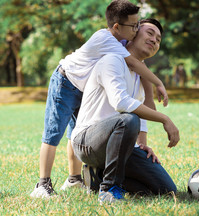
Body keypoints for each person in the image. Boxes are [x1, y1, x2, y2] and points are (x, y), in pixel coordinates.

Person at [30, 0, 169, 198]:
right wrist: (158, 82)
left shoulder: (122, 40)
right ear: (117, 26)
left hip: (83, 87)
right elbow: (135, 63)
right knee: (54, 133)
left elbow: (139, 66)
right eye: (135, 26)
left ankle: (74, 178)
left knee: (74, 132)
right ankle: (42, 184)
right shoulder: (106, 39)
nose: (136, 29)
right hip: (66, 81)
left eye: (138, 25)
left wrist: (149, 86)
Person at [71, 18, 179, 204]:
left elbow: (140, 112)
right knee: (128, 120)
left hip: (119, 143)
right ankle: (109, 189)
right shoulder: (112, 60)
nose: (154, 40)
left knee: (166, 190)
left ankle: (97, 178)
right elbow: (121, 102)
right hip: (87, 142)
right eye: (150, 33)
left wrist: (142, 145)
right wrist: (164, 119)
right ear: (134, 33)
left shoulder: (141, 75)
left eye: (159, 39)